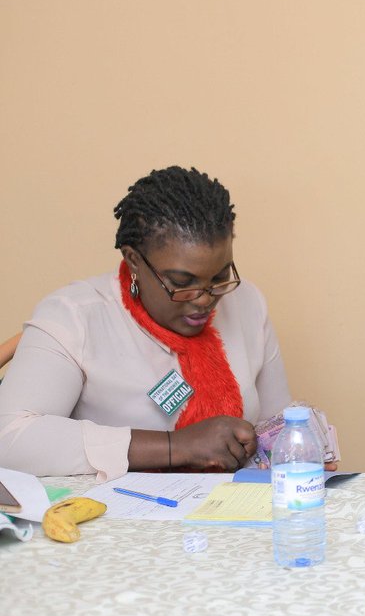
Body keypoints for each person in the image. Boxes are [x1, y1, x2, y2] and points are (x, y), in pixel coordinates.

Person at [0, 167, 291, 479]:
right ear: (134, 259)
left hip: (228, 514)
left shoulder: (247, 303)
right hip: (116, 521)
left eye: (219, 277)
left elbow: (278, 423)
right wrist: (175, 446)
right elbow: (9, 438)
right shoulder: (75, 316)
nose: (205, 298)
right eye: (182, 282)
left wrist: (297, 448)